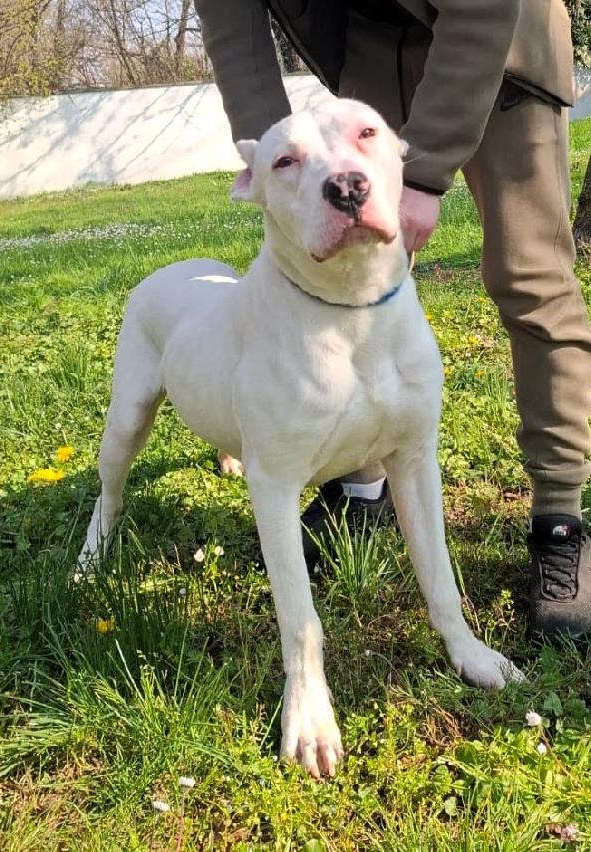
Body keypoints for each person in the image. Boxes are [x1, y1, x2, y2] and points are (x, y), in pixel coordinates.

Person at [195, 0, 591, 639]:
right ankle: (363, 484)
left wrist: (424, 176)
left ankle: (559, 518)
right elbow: (230, 23)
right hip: (374, 49)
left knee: (531, 275)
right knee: (348, 275)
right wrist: (287, 168)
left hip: (500, 43)